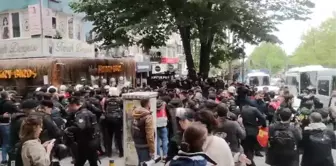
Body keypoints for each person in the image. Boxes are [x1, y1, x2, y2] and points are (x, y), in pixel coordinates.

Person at [65, 97, 100, 166]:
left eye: (71, 106)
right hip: (92, 140)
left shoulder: (81, 114)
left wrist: (68, 129)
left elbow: (80, 127)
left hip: (85, 142)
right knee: (92, 161)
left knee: (80, 161)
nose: (70, 108)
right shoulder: (88, 112)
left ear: (75, 105)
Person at [131, 98, 155, 166]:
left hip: (137, 143)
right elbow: (150, 135)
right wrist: (152, 150)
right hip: (145, 144)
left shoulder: (135, 113)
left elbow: (131, 128)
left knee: (140, 162)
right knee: (145, 163)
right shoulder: (148, 117)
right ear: (148, 104)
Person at [102, 87, 123, 157]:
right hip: (117, 120)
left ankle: (109, 153)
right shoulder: (120, 100)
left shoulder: (106, 100)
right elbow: (122, 108)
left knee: (109, 137)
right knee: (118, 137)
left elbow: (104, 109)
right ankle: (121, 152)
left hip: (108, 119)